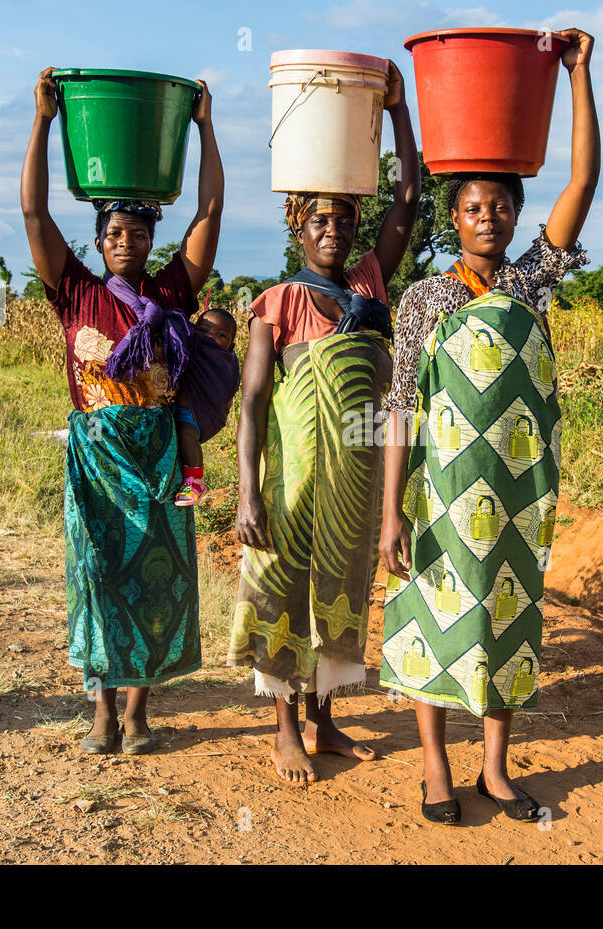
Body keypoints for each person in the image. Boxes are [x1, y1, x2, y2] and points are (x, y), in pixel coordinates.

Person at [377, 29, 600, 822]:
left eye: (501, 205)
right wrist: (388, 516)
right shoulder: (424, 301)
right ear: (455, 217)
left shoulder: (531, 281)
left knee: (506, 617)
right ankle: (436, 766)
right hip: (437, 492)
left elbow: (582, 179)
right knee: (430, 620)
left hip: (509, 490)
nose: (489, 217)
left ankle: (495, 769)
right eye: (474, 206)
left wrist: (578, 74)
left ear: (515, 212)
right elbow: (400, 406)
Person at [21, 65, 225, 755]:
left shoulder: (171, 292)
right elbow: (33, 215)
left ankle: (139, 712)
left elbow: (209, 215)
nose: (126, 242)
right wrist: (44, 120)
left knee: (158, 579)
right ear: (101, 240)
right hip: (98, 455)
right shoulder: (75, 292)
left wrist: (204, 127)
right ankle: (102, 710)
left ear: (150, 241)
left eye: (138, 233)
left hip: (159, 451)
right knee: (99, 572)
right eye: (114, 232)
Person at [229, 60, 419, 783]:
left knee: (340, 588)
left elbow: (408, 192)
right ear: (296, 229)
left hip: (356, 481)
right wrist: (247, 490)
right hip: (295, 482)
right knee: (285, 589)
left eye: (343, 219)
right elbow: (251, 403)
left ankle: (327, 718)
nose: (333, 230)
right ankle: (284, 728)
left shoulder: (371, 282)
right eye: (319, 220)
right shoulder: (275, 301)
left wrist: (399, 111)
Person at [173, 306, 241, 506]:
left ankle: (195, 481)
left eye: (221, 335)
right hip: (172, 409)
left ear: (231, 345)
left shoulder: (225, 363)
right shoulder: (189, 345)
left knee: (186, 433)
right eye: (203, 331)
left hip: (194, 414)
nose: (210, 337)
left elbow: (223, 388)